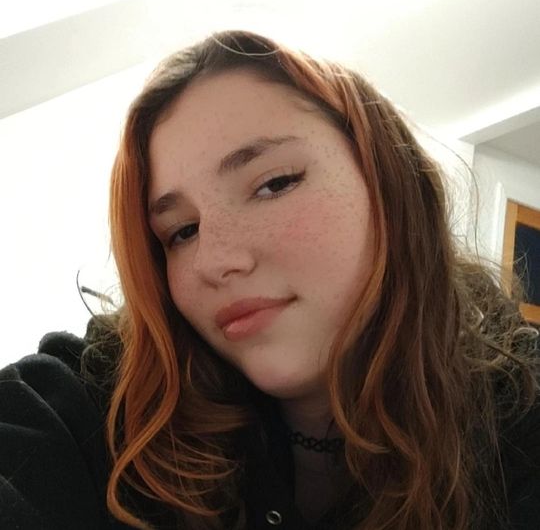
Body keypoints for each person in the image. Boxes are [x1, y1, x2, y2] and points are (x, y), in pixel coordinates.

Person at [1, 29, 539, 530]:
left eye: (274, 184)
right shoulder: (93, 407)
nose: (214, 262)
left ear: (389, 183)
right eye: (181, 232)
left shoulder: (519, 418)